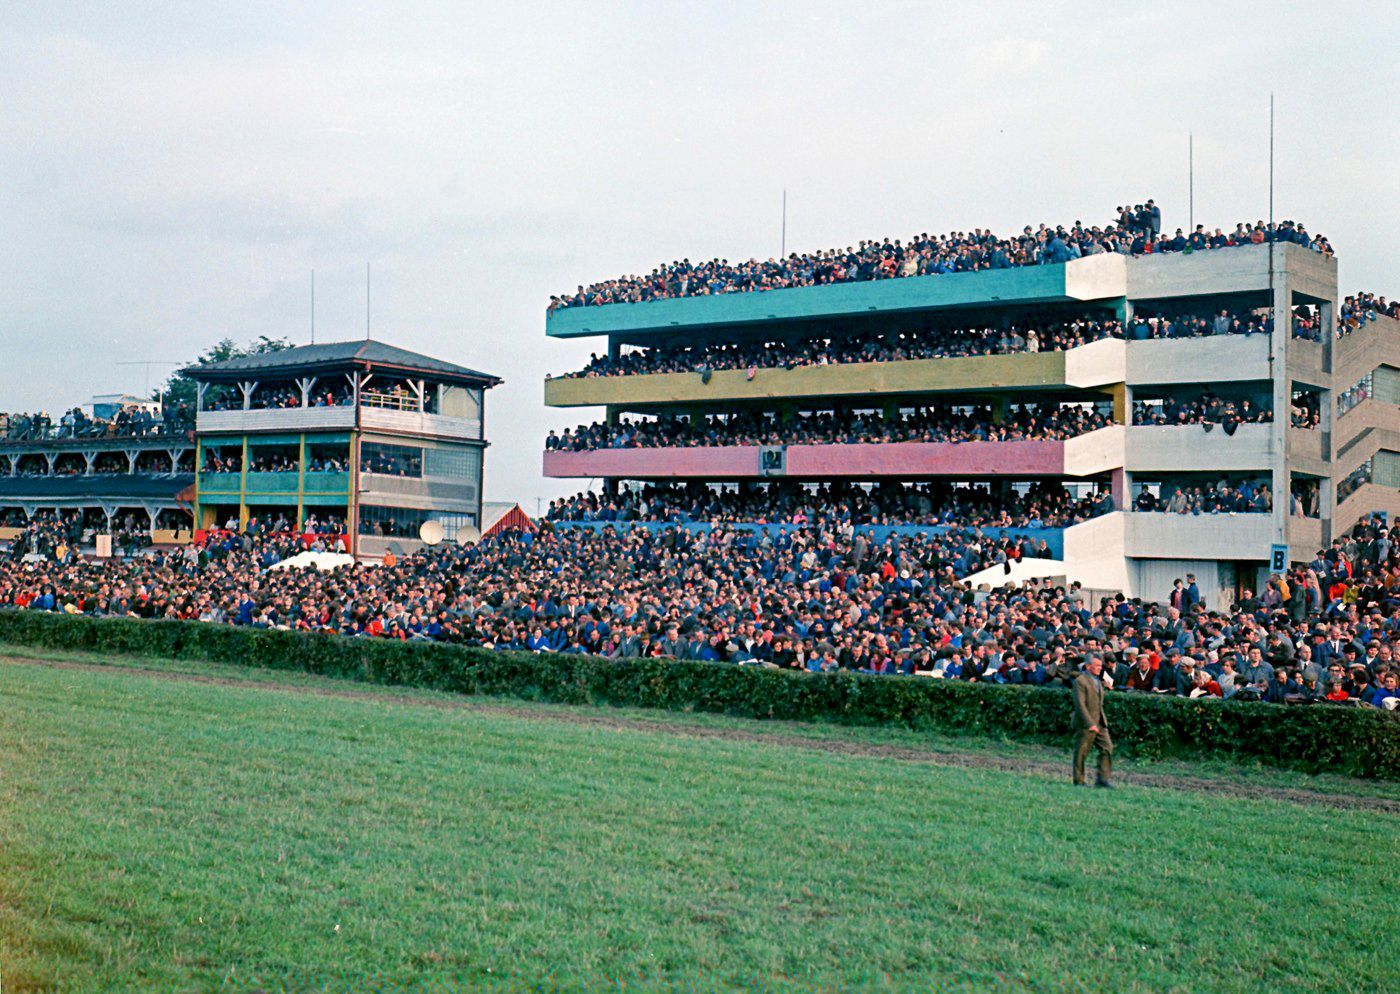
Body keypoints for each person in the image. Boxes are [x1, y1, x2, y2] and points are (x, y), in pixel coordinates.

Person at [1072, 651, 1114, 788]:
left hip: (1100, 722)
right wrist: (1090, 723)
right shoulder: (1080, 681)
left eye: (1100, 665)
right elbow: (1080, 704)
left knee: (1107, 748)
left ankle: (1103, 779)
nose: (1100, 668)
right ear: (1088, 666)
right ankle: (1079, 781)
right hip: (1086, 723)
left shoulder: (1098, 680)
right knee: (1081, 752)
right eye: (1097, 665)